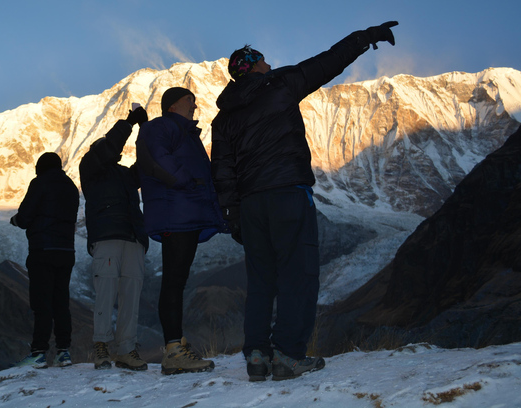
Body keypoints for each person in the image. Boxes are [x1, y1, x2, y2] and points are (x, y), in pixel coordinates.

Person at [211, 21, 399, 381]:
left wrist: (232, 214)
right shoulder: (280, 85)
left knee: (261, 280)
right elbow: (328, 62)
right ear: (253, 65)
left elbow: (221, 170)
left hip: (251, 205)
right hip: (287, 191)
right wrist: (366, 37)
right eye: (262, 59)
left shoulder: (223, 118)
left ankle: (257, 356)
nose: (268, 62)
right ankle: (288, 355)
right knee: (298, 274)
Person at [136, 87, 226, 375]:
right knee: (174, 281)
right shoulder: (161, 126)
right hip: (176, 212)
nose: (194, 105)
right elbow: (156, 158)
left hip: (184, 213)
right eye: (189, 100)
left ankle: (176, 343)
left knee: (177, 279)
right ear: (171, 105)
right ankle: (173, 350)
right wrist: (187, 181)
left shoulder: (184, 132)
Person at [79, 105, 149, 371]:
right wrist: (129, 123)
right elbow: (110, 146)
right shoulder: (89, 167)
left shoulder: (125, 174)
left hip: (133, 238)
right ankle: (101, 345)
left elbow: (146, 163)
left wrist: (145, 130)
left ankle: (126, 349)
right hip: (107, 236)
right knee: (106, 293)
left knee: (131, 294)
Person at [11, 152, 80, 368]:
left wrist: (16, 220)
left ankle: (39, 352)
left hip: (43, 250)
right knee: (61, 302)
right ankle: (63, 352)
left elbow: (25, 216)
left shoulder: (40, 183)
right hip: (66, 251)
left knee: (42, 302)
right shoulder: (71, 187)